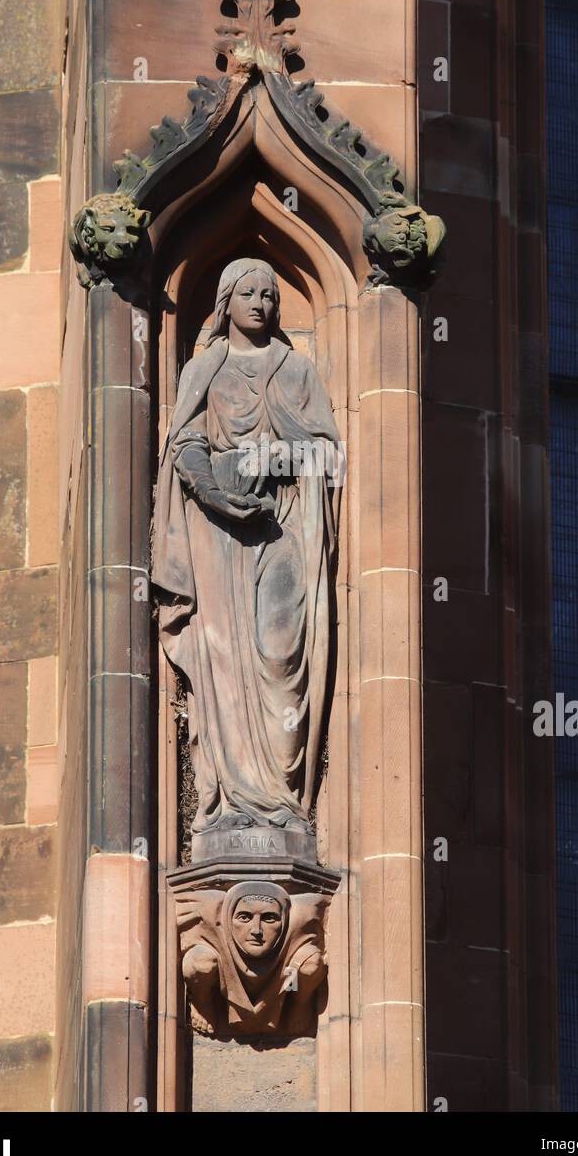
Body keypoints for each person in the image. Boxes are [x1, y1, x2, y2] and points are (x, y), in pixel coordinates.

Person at [153, 257, 341, 839]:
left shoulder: (298, 372)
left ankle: (282, 796)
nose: (262, 302)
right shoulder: (204, 369)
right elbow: (182, 444)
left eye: (270, 294)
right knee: (225, 655)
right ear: (226, 302)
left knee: (281, 650)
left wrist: (269, 461)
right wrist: (216, 493)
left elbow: (326, 454)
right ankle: (234, 798)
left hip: (284, 526)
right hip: (217, 531)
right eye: (250, 293)